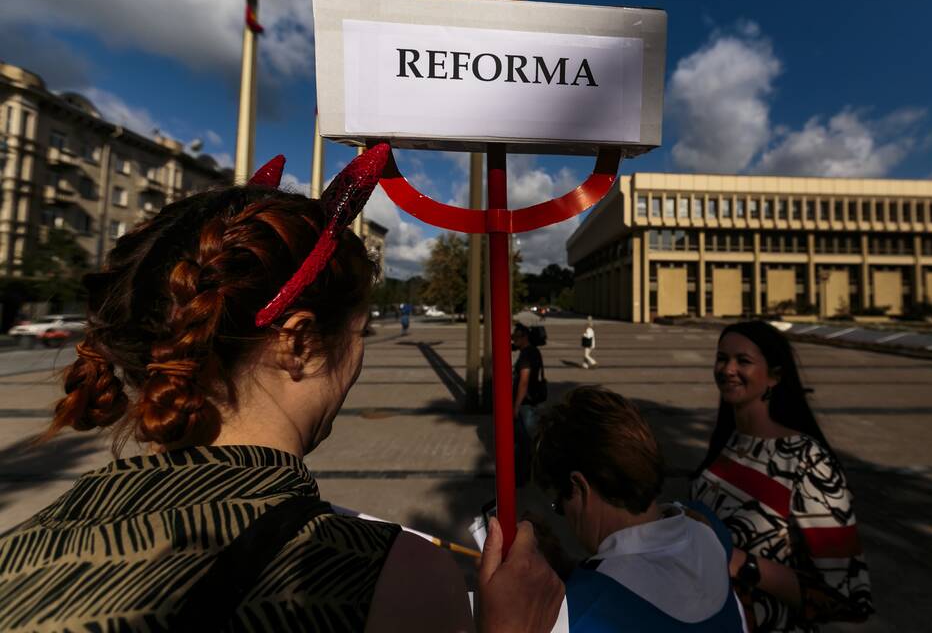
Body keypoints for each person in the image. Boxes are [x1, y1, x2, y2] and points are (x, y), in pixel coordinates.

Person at [0, 151, 562, 632]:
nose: (360, 354)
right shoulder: (381, 579)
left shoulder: (17, 551)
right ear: (299, 344)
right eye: (359, 332)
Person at [690, 320, 873, 632]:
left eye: (743, 361)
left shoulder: (807, 462)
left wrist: (743, 564)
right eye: (722, 358)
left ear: (775, 376)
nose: (727, 369)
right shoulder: (728, 443)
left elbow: (847, 599)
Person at [533, 386, 746, 632]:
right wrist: (567, 566)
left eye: (560, 505)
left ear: (580, 487)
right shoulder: (704, 524)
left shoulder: (579, 611)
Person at [511, 322, 546, 487]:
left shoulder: (526, 356)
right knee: (528, 442)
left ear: (524, 337)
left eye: (516, 337)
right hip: (533, 402)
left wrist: (516, 406)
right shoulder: (534, 352)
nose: (513, 340)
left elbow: (524, 381)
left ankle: (521, 477)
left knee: (523, 444)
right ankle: (528, 475)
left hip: (525, 404)